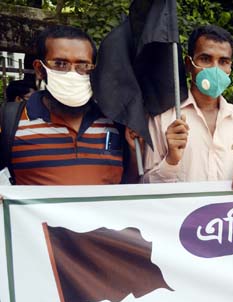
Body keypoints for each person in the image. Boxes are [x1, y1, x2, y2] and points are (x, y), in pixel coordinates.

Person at [2, 25, 140, 185]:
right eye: (60, 64)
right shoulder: (10, 121)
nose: (72, 73)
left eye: (83, 65)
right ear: (40, 69)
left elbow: (128, 188)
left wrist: (134, 152)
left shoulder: (115, 120)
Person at [143, 25, 233, 189]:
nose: (215, 68)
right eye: (205, 59)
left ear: (230, 68)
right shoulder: (164, 117)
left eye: (223, 61)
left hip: (226, 214)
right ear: (188, 64)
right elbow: (144, 186)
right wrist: (171, 160)